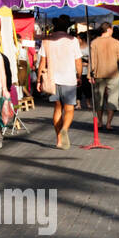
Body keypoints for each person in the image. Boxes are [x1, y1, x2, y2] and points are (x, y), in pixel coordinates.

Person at [38, 15, 82, 149]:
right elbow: (78, 61)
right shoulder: (73, 40)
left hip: (52, 79)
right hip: (69, 79)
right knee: (69, 109)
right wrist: (79, 75)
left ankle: (58, 141)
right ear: (68, 26)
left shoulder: (47, 40)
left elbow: (42, 62)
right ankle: (65, 129)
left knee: (57, 108)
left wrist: (39, 80)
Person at [88, 21, 119, 131]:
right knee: (112, 99)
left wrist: (90, 75)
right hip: (113, 74)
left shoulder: (94, 42)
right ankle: (109, 123)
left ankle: (100, 122)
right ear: (108, 29)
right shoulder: (116, 42)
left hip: (99, 74)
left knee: (98, 99)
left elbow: (92, 60)